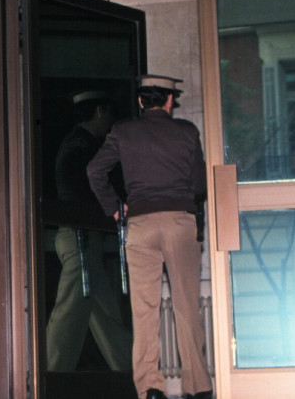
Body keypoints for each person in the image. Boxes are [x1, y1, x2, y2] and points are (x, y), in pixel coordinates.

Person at [86, 75, 212, 399]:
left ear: (141, 101)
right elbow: (199, 186)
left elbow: (94, 170)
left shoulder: (123, 132)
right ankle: (197, 388)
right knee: (187, 307)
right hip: (180, 224)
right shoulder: (187, 132)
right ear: (170, 101)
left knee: (144, 311)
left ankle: (150, 389)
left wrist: (114, 206)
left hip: (140, 225)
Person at [44, 90, 133, 372]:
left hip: (80, 236)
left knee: (102, 312)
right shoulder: (82, 147)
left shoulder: (76, 145)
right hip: (80, 235)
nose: (110, 121)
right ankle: (51, 373)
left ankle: (129, 370)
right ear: (99, 112)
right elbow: (84, 194)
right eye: (108, 114)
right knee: (71, 309)